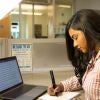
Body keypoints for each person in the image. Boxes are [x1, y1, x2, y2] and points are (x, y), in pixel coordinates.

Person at [48, 9, 100, 100]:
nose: (74, 44)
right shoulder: (94, 55)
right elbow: (85, 77)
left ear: (89, 30)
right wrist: (61, 86)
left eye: (76, 37)